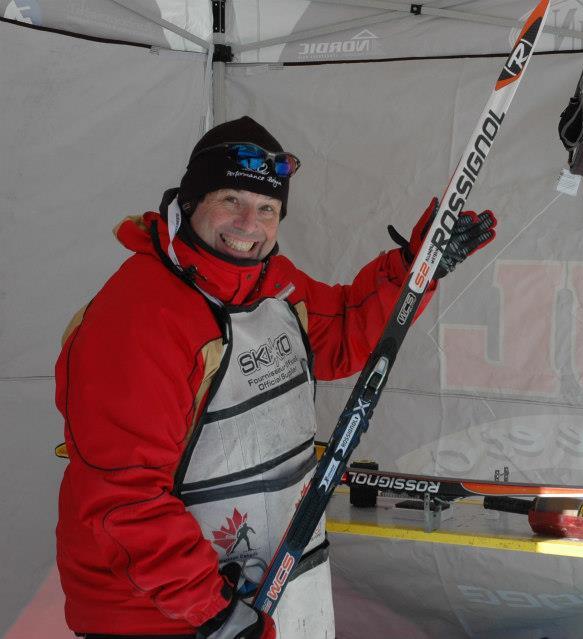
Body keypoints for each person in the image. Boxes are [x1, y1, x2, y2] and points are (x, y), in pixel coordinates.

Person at [55, 116, 497, 639]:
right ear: (192, 201)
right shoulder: (140, 319)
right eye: (231, 200)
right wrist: (215, 613)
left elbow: (343, 330)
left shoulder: (269, 284)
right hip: (163, 616)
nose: (249, 223)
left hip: (273, 586)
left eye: (267, 208)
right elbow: (124, 498)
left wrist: (413, 269)